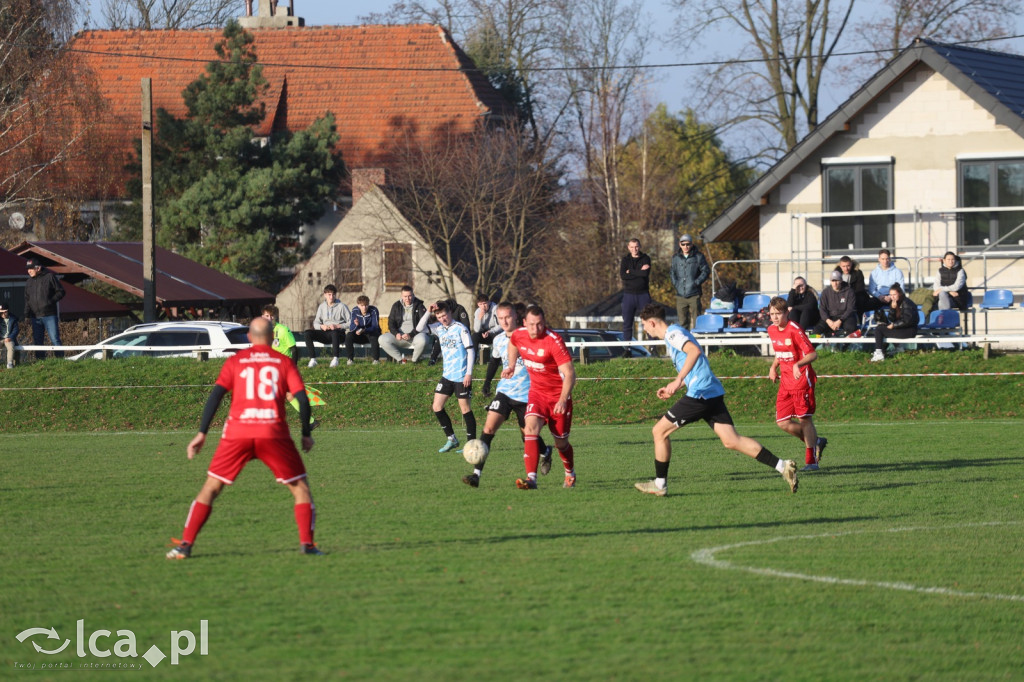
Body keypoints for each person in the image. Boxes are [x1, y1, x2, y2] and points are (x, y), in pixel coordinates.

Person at [165, 317, 321, 559]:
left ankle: (185, 545)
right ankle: (307, 545)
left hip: (237, 433)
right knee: (300, 489)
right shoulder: (283, 362)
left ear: (249, 337)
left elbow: (215, 396)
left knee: (211, 488)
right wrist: (306, 434)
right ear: (272, 338)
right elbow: (302, 398)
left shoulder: (235, 361)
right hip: (273, 433)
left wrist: (202, 433)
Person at [633, 303, 798, 497]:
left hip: (701, 394)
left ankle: (660, 484)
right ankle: (783, 466)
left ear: (652, 323)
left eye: (644, 325)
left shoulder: (672, 334)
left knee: (659, 431)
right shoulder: (675, 334)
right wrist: (677, 385)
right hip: (709, 391)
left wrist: (677, 381)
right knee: (731, 440)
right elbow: (696, 364)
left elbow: (694, 352)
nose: (644, 329)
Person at [462, 302, 551, 488]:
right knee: (488, 430)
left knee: (527, 435)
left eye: (508, 317)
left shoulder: (529, 337)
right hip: (504, 392)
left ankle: (546, 451)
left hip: (528, 395)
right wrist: (487, 383)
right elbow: (494, 362)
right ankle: (476, 475)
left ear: (516, 317)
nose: (504, 321)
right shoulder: (499, 339)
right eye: (500, 318)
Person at [504, 305, 577, 489]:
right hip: (537, 394)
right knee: (530, 429)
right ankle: (531, 479)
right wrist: (511, 365)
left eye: (539, 324)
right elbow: (513, 342)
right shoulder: (519, 334)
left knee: (561, 443)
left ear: (544, 322)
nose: (535, 329)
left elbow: (569, 373)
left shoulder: (553, 341)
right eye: (531, 325)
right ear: (524, 323)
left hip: (558, 397)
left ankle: (569, 473)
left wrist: (562, 399)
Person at [767, 297, 828, 472]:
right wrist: (773, 367)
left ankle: (811, 461)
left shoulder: (794, 329)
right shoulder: (771, 330)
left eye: (778, 313)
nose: (775, 317)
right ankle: (816, 442)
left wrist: (798, 364)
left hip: (801, 380)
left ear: (787, 312)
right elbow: (781, 352)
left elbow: (812, 354)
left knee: (804, 420)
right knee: (782, 422)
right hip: (785, 382)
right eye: (772, 314)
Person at [418, 299, 476, 452]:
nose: (442, 319)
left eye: (444, 315)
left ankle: (471, 445)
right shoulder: (438, 328)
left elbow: (471, 350)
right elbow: (419, 328)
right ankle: (452, 439)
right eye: (439, 316)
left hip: (462, 375)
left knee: (465, 410)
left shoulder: (460, 328)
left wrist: (468, 373)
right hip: (447, 376)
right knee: (437, 407)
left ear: (450, 312)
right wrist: (428, 312)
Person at [23, 257, 65, 359]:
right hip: (35, 316)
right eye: (28, 268)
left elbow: (61, 291)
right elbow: (27, 299)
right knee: (38, 341)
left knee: (54, 339)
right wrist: (26, 315)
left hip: (49, 315)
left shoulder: (49, 277)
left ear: (38, 268)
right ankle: (40, 362)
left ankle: (60, 361)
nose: (29, 271)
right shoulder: (29, 282)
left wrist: (50, 302)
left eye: (31, 268)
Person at [303, 284, 350, 368]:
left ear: (335, 295)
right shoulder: (321, 307)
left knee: (334, 332)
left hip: (338, 334)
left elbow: (351, 323)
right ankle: (313, 359)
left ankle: (335, 359)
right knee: (307, 333)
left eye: (333, 294)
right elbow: (316, 323)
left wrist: (338, 326)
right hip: (325, 333)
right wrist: (322, 327)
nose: (331, 297)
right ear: (325, 295)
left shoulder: (342, 306)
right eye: (329, 295)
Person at [669, 234, 710, 329]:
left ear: (691, 244)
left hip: (694, 294)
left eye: (688, 244)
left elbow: (706, 270)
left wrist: (696, 283)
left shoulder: (698, 256)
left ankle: (697, 342)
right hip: (680, 295)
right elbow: (672, 272)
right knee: (682, 322)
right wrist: (676, 284)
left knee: (697, 321)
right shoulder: (675, 258)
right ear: (680, 244)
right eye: (683, 244)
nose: (685, 247)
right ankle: (686, 342)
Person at [380, 286, 429, 363]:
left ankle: (414, 361)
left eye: (410, 296)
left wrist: (411, 334)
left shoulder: (420, 305)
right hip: (400, 337)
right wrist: (396, 334)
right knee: (382, 339)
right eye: (405, 296)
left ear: (413, 295)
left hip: (415, 336)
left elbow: (423, 323)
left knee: (423, 340)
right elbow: (391, 322)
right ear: (401, 296)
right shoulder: (396, 305)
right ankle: (401, 360)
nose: (407, 298)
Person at [871, 283, 918, 362]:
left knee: (879, 329)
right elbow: (891, 319)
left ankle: (879, 353)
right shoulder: (895, 302)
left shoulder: (907, 303)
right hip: (902, 329)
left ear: (900, 294)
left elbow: (907, 320)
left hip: (909, 330)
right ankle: (897, 349)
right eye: (891, 295)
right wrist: (893, 309)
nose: (892, 297)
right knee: (883, 326)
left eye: (894, 294)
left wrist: (894, 325)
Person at [620, 238, 652, 354]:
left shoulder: (646, 258)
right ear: (628, 247)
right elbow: (623, 275)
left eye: (636, 246)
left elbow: (644, 274)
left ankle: (653, 348)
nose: (634, 249)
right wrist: (638, 271)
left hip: (643, 295)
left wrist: (631, 271)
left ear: (640, 246)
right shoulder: (625, 260)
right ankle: (627, 349)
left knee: (648, 321)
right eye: (632, 247)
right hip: (628, 295)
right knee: (627, 323)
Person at [812, 271, 859, 337]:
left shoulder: (849, 291)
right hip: (830, 317)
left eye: (837, 280)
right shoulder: (825, 292)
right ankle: (812, 346)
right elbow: (822, 309)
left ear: (841, 280)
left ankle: (844, 346)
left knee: (851, 328)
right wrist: (828, 321)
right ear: (830, 281)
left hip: (846, 317)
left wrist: (840, 320)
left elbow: (850, 309)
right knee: (816, 331)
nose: (835, 283)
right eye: (833, 281)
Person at [473, 293, 503, 395]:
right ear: (478, 305)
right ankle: (472, 359)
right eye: (481, 304)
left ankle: (497, 360)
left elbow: (500, 326)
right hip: (484, 333)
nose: (483, 306)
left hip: (495, 332)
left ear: (489, 302)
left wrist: (490, 332)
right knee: (474, 336)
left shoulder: (496, 308)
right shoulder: (478, 312)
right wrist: (479, 318)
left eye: (485, 303)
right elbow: (477, 329)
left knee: (497, 338)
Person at [429, 297, 470, 365]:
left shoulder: (460, 309)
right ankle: (433, 358)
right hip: (445, 331)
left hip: (458, 333)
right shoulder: (443, 312)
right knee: (439, 338)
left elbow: (466, 324)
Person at [345, 295, 381, 365]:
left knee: (374, 336)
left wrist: (364, 330)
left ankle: (376, 360)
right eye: (362, 305)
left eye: (366, 305)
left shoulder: (374, 310)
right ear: (358, 305)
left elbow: (375, 327)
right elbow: (351, 328)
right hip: (359, 335)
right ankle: (350, 359)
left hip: (370, 334)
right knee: (349, 335)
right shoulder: (354, 311)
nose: (364, 307)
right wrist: (356, 325)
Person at [0, 303, 19, 368]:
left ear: (7, 311)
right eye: (1, 312)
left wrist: (10, 337)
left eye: (4, 312)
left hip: (9, 338)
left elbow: (16, 330)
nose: (2, 314)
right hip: (1, 338)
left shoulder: (13, 319)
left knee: (10, 347)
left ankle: (9, 363)